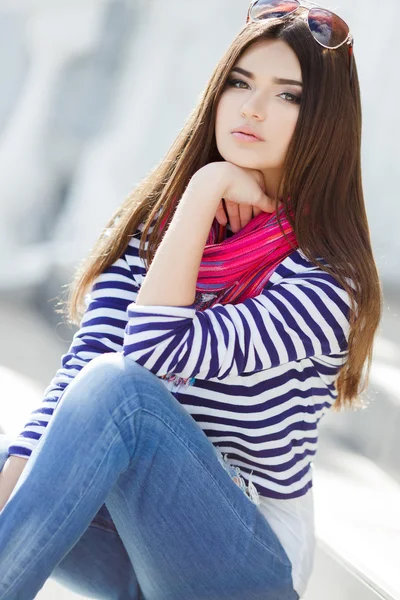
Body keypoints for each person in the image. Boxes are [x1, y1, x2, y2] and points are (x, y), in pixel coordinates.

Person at [0, 1, 382, 598]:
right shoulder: (160, 232)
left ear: (324, 121)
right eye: (240, 82)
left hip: (243, 563)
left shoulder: (326, 280)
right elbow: (79, 370)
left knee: (120, 389)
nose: (252, 108)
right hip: (132, 546)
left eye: (289, 96)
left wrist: (203, 188)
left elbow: (146, 360)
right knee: (13, 457)